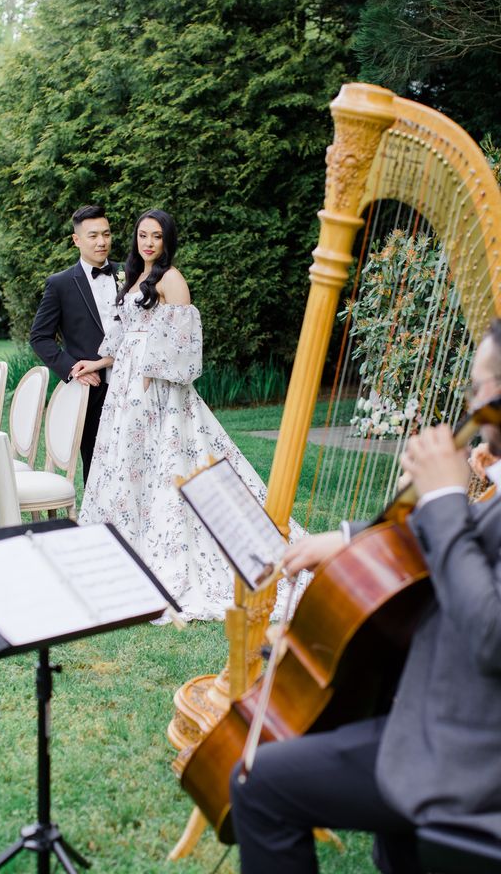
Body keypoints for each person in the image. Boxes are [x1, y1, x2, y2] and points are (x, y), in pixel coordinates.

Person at [229, 319, 501, 873]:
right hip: (443, 717)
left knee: (259, 785)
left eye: (482, 387)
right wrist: (353, 539)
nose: (475, 403)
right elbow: (476, 541)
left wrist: (446, 495)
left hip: (467, 751)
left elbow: (492, 634)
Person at [73, 208, 304, 620]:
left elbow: (182, 345)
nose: (148, 243)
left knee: (165, 465)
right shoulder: (136, 277)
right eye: (142, 235)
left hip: (156, 391)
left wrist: (151, 377)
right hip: (125, 387)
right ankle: (121, 553)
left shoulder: (172, 279)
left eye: (156, 237)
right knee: (126, 467)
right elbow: (126, 337)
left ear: (167, 241)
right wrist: (97, 364)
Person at [30, 205, 118, 483]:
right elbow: (39, 337)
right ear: (77, 240)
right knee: (97, 469)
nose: (101, 242)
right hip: (93, 392)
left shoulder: (131, 274)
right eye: (93, 236)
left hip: (135, 383)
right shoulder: (60, 284)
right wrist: (73, 369)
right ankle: (99, 525)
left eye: (106, 234)